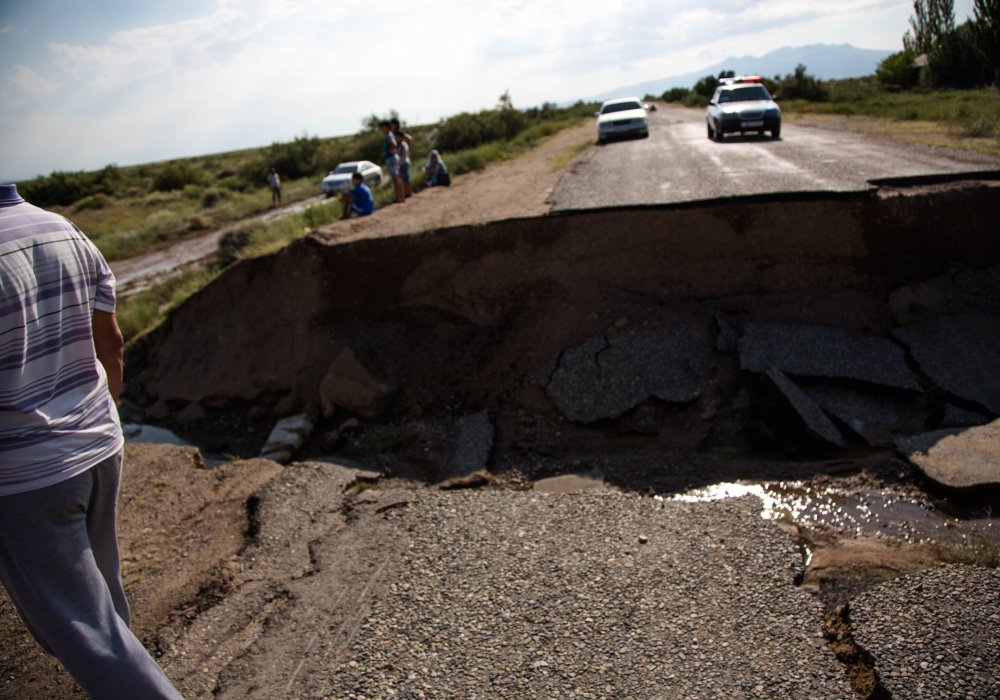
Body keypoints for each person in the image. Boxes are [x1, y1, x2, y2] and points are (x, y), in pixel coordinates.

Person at [0, 183, 185, 700]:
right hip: (99, 446)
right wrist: (100, 417)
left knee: (86, 634)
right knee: (103, 610)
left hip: (26, 474)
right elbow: (112, 343)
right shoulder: (62, 228)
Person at [379, 120, 405, 203]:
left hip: (391, 158)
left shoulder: (389, 136)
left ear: (387, 128)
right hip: (392, 158)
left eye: (383, 128)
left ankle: (399, 197)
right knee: (396, 178)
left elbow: (394, 144)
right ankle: (400, 196)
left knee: (395, 178)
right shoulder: (391, 135)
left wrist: (392, 150)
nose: (382, 130)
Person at [390, 118, 413, 198]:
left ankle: (408, 192)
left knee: (405, 177)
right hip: (399, 161)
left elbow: (409, 139)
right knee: (402, 178)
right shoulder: (391, 134)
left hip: (403, 161)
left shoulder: (400, 137)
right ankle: (404, 193)